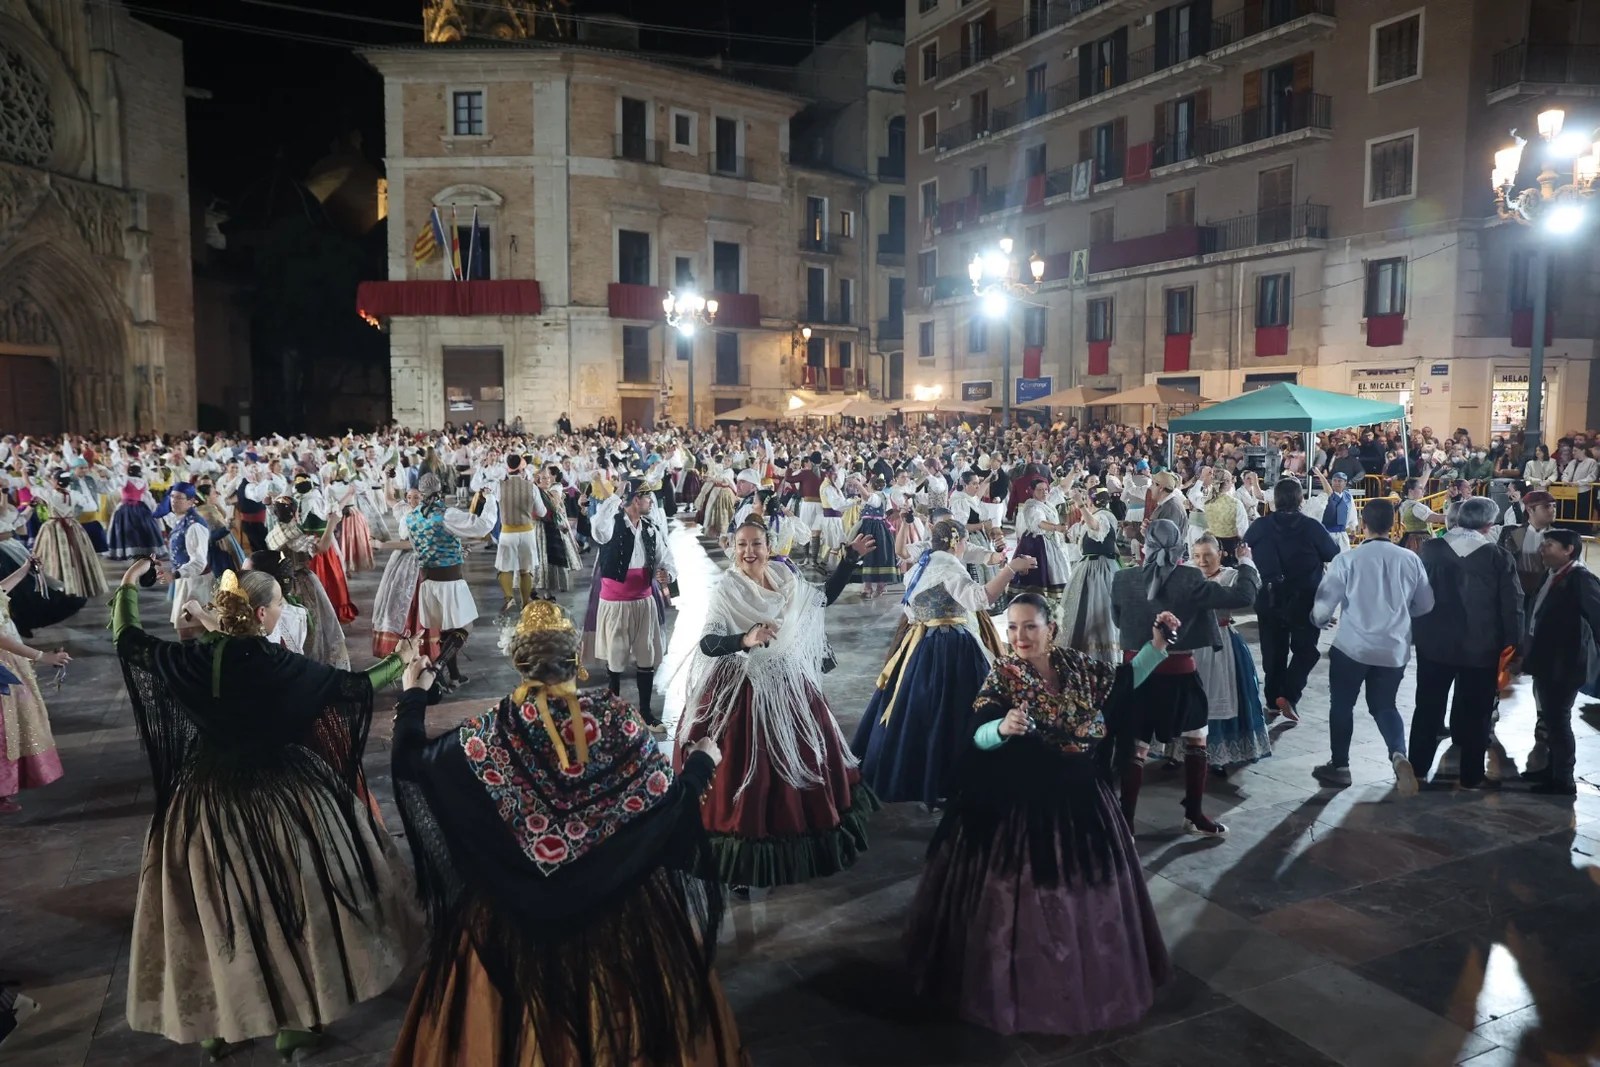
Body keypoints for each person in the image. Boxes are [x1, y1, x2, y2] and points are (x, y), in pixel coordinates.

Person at [388, 600, 745, 1066]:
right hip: (622, 920)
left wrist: (414, 693)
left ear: (518, 662)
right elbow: (672, 811)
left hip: (508, 925)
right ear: (577, 660)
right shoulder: (618, 721)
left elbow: (412, 765)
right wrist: (702, 761)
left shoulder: (486, 736)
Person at [110, 561, 419, 1061]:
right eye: (279, 604)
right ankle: (295, 1023)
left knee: (216, 911)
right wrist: (402, 660)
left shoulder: (190, 663)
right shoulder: (280, 668)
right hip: (287, 801)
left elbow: (128, 641)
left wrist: (125, 590)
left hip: (204, 805)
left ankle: (219, 1023)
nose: (283, 611)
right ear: (259, 613)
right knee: (296, 905)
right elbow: (355, 689)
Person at [903, 594, 1172, 1037]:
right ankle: (1017, 988)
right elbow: (978, 734)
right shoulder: (1004, 675)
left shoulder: (1082, 669)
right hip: (1020, 803)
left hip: (1081, 799)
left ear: (1052, 629)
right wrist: (1002, 729)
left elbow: (1125, 683)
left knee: (1083, 902)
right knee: (1019, 901)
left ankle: (1085, 982)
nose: (1019, 637)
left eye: (1029, 627)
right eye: (1012, 628)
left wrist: (1157, 645)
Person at [676, 517, 877, 888]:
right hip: (742, 685)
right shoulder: (727, 590)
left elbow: (823, 598)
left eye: (756, 544)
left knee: (799, 763)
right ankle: (740, 858)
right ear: (733, 548)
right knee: (743, 772)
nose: (749, 552)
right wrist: (743, 640)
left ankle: (795, 830)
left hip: (787, 681)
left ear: (769, 547)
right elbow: (708, 642)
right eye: (741, 545)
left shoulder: (786, 579)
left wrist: (850, 558)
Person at [854, 517, 1032, 808]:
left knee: (919, 708)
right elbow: (980, 598)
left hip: (921, 644)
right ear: (954, 542)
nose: (965, 547)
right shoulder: (948, 565)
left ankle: (919, 775)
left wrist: (994, 556)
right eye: (963, 542)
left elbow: (912, 611)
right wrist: (1010, 569)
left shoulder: (923, 563)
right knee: (956, 709)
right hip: (951, 646)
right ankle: (952, 777)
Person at [1110, 519, 1259, 836]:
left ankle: (1125, 821)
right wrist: (1245, 562)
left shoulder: (1122, 579)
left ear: (1146, 545)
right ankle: (1193, 814)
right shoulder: (1190, 578)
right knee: (1196, 741)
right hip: (1180, 672)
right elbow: (1243, 597)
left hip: (1137, 672)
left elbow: (1118, 620)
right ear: (1180, 546)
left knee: (1136, 747)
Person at [1308, 499, 1434, 794]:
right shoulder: (1410, 559)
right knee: (1385, 705)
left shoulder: (1347, 560)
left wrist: (1316, 620)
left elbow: (1323, 607)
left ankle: (1340, 766)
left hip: (1353, 646)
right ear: (1394, 525)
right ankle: (1398, 754)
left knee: (1342, 704)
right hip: (1394, 648)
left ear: (1363, 525)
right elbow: (1426, 604)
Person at [1411, 496, 1522, 789]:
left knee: (1427, 706)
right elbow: (1512, 605)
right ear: (1488, 524)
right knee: (1477, 711)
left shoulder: (1431, 550)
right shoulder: (1498, 557)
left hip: (1434, 644)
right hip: (1481, 647)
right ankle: (1471, 775)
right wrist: (1515, 644)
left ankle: (1417, 768)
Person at [1243, 478, 1338, 722]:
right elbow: (1331, 552)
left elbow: (1247, 541)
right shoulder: (1311, 527)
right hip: (1305, 599)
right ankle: (1289, 695)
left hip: (1271, 596)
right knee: (1306, 651)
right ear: (1300, 499)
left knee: (1273, 651)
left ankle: (1273, 698)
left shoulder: (1261, 526)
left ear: (1275, 499)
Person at [1519, 528, 1600, 796]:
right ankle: (1552, 769)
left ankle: (1563, 779)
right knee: (1552, 719)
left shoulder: (1580, 578)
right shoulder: (1552, 574)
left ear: (1569, 550)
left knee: (1559, 719)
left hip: (1564, 662)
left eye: (1549, 545)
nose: (1542, 549)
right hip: (1546, 660)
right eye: (1543, 544)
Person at [591, 479, 677, 730]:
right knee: (616, 658)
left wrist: (667, 575)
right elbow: (597, 529)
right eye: (647, 497)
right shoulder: (611, 524)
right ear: (636, 500)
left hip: (643, 602)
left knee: (646, 656)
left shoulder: (651, 527)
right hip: (616, 603)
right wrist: (616, 497)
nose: (651, 501)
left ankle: (646, 712)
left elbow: (667, 559)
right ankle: (613, 712)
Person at [404, 472, 497, 689]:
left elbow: (421, 547)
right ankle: (437, 668)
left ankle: (454, 676)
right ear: (440, 491)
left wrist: (454, 549)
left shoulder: (410, 517)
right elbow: (483, 525)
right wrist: (490, 500)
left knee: (446, 630)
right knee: (466, 627)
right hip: (450, 580)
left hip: (427, 581)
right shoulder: (447, 515)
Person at [1189, 535, 1271, 772]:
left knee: (1221, 693)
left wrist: (1246, 562)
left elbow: (1250, 590)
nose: (1202, 561)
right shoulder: (1188, 573)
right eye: (1197, 556)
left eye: (1207, 555)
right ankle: (1184, 750)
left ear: (1220, 554)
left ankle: (1218, 753)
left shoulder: (1231, 576)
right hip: (1193, 643)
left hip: (1222, 643)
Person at [0, 557, 69, 813]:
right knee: (4, 728)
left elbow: (1, 589)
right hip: (2, 665)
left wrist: (25, 570)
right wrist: (43, 656)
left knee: (12, 724)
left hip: (8, 662)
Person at [1057, 487, 1120, 662]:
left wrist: (1080, 504)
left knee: (1096, 608)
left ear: (1090, 501)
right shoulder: (1099, 516)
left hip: (1097, 570)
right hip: (1093, 566)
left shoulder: (1103, 516)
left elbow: (1096, 527)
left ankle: (1099, 654)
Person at [494, 454, 546, 613]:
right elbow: (542, 512)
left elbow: (496, 501)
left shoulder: (499, 486)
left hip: (507, 532)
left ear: (507, 467)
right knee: (525, 569)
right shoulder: (531, 487)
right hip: (527, 532)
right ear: (522, 468)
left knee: (504, 569)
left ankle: (509, 597)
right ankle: (525, 602)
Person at [1012, 476, 1070, 601]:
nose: (1044, 492)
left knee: (1055, 571)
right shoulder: (1032, 506)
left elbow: (1061, 489)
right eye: (1039, 490)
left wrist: (1073, 474)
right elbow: (1039, 522)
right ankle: (1036, 601)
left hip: (1050, 542)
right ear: (1032, 491)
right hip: (1036, 544)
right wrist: (1056, 527)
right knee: (1039, 575)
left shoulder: (1047, 503)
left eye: (1045, 490)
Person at [1398, 478, 1446, 552]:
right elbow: (1436, 518)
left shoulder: (1403, 504)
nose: (1423, 491)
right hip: (1420, 541)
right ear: (1411, 491)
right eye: (1420, 488)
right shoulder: (1416, 507)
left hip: (1409, 538)